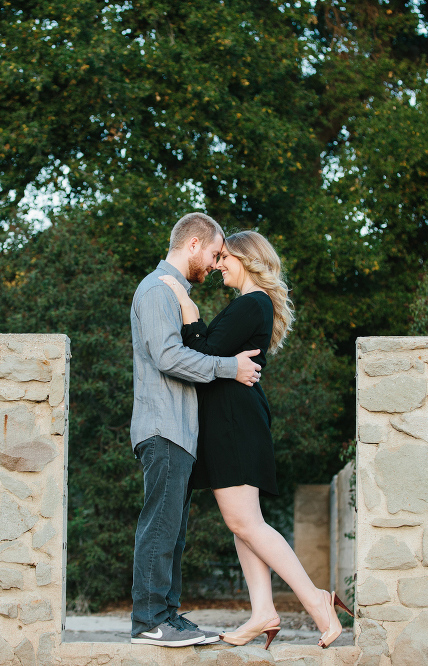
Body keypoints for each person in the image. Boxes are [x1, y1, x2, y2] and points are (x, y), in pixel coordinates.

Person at [159, 230, 353, 650]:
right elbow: (215, 355)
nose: (218, 264)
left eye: (225, 257)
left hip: (235, 421)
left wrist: (188, 309)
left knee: (246, 522)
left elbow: (205, 350)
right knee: (242, 524)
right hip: (232, 419)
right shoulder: (248, 305)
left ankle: (317, 602)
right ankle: (263, 611)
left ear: (247, 260)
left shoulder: (253, 303)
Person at [129, 213, 264, 648]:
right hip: (163, 426)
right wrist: (230, 368)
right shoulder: (156, 290)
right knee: (160, 526)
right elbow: (169, 357)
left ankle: (167, 616)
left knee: (174, 531)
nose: (214, 262)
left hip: (181, 431)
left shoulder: (177, 294)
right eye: (213, 252)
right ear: (193, 244)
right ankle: (150, 620)